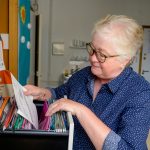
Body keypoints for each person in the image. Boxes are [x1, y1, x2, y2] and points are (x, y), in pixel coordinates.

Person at [24, 15, 150, 150]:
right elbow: (59, 93)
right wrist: (44, 93)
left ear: (125, 59)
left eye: (102, 55)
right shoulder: (84, 74)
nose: (92, 58)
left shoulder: (140, 93)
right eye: (92, 49)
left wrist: (82, 111)